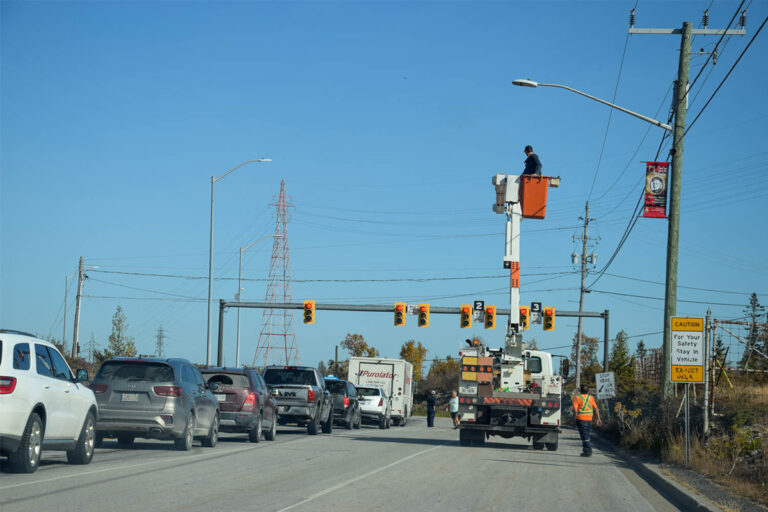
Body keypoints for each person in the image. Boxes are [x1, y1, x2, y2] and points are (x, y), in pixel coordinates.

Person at [572, 384, 601, 457]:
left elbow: (575, 411)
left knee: (584, 436)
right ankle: (586, 451)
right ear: (588, 391)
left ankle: (588, 452)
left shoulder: (577, 398)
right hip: (589, 419)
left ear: (580, 390)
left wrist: (574, 419)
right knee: (586, 435)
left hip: (581, 419)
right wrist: (598, 418)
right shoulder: (591, 398)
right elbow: (596, 408)